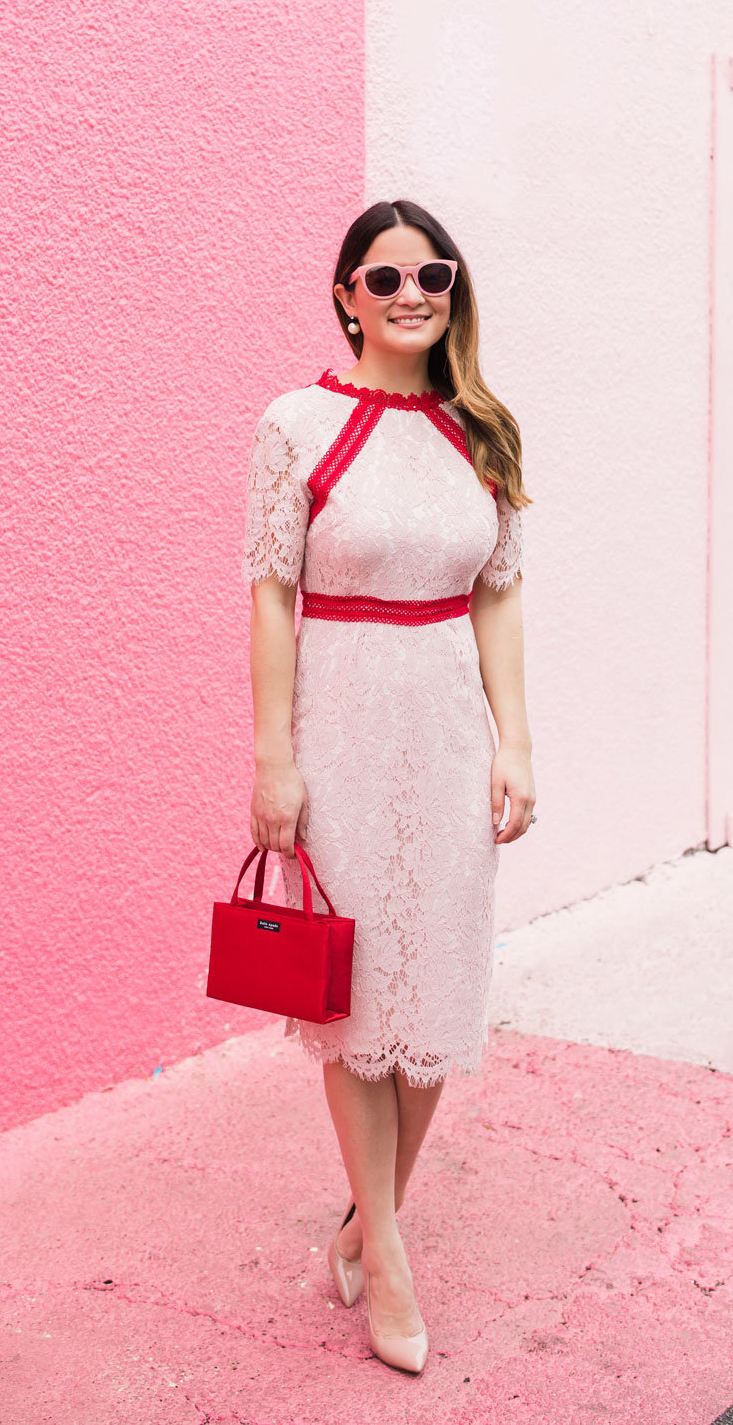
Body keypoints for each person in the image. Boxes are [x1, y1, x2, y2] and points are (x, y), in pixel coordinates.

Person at [243, 198, 535, 1374]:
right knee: (353, 1001)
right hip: (344, 727)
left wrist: (516, 742)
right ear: (344, 296)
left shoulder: (485, 432)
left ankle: (367, 1222)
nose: (411, 294)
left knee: (434, 1005)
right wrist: (274, 758)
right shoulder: (295, 425)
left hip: (450, 732)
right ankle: (392, 1263)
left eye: (433, 275)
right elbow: (269, 589)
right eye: (384, 278)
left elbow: (499, 594)